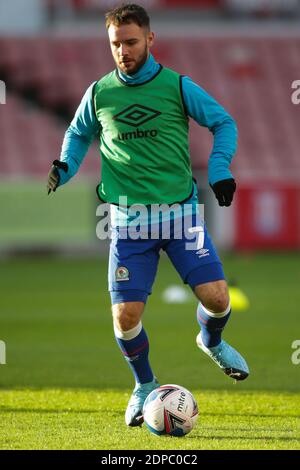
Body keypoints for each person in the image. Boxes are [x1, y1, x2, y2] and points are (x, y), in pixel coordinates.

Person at [47, 3, 249, 428]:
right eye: (116, 44)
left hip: (181, 215)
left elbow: (225, 122)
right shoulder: (100, 93)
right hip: (128, 222)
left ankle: (211, 341)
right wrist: (64, 165)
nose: (123, 51)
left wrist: (219, 170)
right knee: (126, 316)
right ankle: (143, 385)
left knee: (217, 299)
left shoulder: (177, 86)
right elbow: (79, 132)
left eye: (131, 42)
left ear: (150, 40)